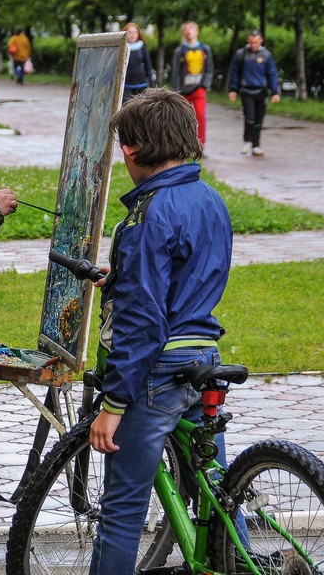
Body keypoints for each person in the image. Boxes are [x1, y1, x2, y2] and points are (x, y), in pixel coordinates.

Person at [86, 89, 233, 574]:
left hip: (159, 370)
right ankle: (240, 559)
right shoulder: (211, 199)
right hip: (204, 355)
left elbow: (143, 323)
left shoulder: (147, 215)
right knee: (219, 491)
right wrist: (127, 276)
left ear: (130, 150)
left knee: (122, 508)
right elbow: (189, 272)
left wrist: (113, 406)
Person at [228, 29, 281, 157]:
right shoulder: (241, 54)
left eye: (256, 42)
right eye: (251, 42)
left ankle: (256, 145)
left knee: (259, 119)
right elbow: (234, 72)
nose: (253, 45)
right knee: (249, 117)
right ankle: (247, 140)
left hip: (261, 91)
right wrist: (233, 89)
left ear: (261, 40)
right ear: (248, 40)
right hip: (246, 90)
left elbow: (272, 74)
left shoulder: (266, 55)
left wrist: (275, 92)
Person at [171, 21, 214, 150]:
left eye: (191, 28)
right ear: (183, 33)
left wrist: (205, 84)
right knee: (182, 117)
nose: (188, 31)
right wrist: (176, 90)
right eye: (186, 29)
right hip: (183, 91)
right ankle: (182, 144)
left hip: (199, 88)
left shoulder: (205, 49)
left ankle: (200, 144)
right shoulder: (180, 51)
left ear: (197, 31)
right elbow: (175, 72)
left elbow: (209, 69)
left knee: (200, 115)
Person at [122, 22, 155, 102]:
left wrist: (152, 85)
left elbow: (148, 67)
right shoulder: (122, 47)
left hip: (140, 84)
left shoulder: (142, 47)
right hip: (126, 85)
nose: (132, 35)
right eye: (130, 32)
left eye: (135, 32)